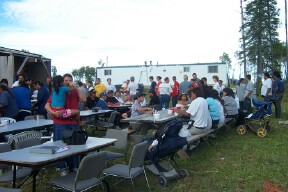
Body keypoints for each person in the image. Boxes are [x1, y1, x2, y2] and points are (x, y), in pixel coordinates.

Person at [45, 73, 86, 175]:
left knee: (74, 145)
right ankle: (61, 167)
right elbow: (47, 105)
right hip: (59, 122)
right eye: (65, 80)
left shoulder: (74, 91)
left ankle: (74, 166)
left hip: (72, 122)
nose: (67, 82)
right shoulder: (59, 90)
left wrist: (76, 88)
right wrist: (53, 112)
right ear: (62, 82)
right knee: (60, 144)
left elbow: (84, 99)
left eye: (69, 80)